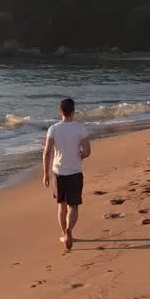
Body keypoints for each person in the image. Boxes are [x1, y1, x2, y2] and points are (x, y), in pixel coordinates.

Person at [42, 97, 91, 251]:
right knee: (74, 207)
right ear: (73, 111)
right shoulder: (80, 128)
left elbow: (47, 152)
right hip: (75, 171)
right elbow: (88, 151)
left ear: (60, 111)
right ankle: (70, 229)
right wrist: (80, 156)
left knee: (61, 206)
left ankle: (64, 233)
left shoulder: (53, 129)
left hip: (58, 172)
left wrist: (46, 174)